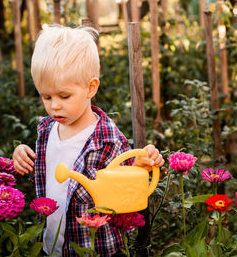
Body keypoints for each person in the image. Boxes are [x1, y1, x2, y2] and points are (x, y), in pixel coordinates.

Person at [12, 25, 165, 256]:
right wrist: (22, 155)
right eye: (46, 96)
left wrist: (139, 169)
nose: (54, 105)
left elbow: (125, 195)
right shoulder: (46, 130)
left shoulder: (108, 140)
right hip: (51, 247)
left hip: (95, 249)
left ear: (90, 88)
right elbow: (48, 179)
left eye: (64, 96)